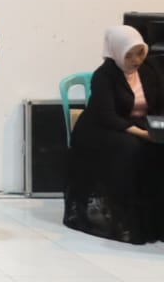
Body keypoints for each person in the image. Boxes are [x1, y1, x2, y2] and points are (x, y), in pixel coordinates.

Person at [65, 25, 164, 244]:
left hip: (138, 124)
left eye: (140, 53)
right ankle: (125, 221)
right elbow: (108, 117)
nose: (136, 60)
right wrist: (143, 134)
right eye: (129, 55)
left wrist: (157, 129)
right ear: (117, 53)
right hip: (101, 130)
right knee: (130, 148)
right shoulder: (104, 76)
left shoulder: (149, 70)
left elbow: (158, 104)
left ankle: (156, 221)